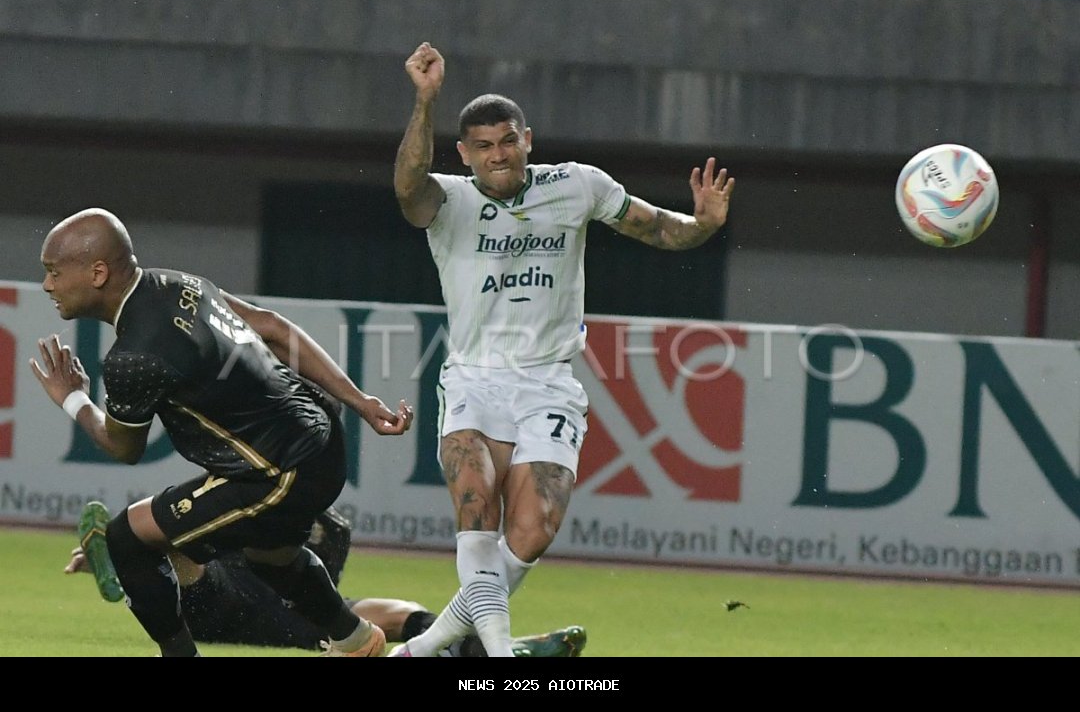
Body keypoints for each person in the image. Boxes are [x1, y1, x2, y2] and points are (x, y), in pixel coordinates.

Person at [391, 42, 736, 657]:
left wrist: (702, 225)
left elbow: (656, 227)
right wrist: (425, 100)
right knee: (476, 507)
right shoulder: (450, 202)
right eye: (483, 146)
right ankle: (499, 662)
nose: (498, 155)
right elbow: (406, 184)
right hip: (474, 377)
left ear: (528, 139)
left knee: (534, 531)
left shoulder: (578, 186)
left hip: (549, 382)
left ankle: (421, 651)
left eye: (507, 141)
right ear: (465, 154)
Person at [31, 207, 414, 657]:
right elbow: (272, 328)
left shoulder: (134, 358)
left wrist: (72, 398)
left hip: (279, 472)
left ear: (97, 273)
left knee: (127, 539)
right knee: (270, 557)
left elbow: (123, 447)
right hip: (324, 437)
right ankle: (356, 641)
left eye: (55, 272)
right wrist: (360, 401)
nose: (47, 285)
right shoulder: (181, 285)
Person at [66, 501, 588, 657]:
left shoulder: (329, 525)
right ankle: (121, 552)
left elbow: (320, 585)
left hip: (284, 607)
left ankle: (504, 650)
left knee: (401, 610)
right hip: (240, 598)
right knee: (189, 554)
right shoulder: (267, 495)